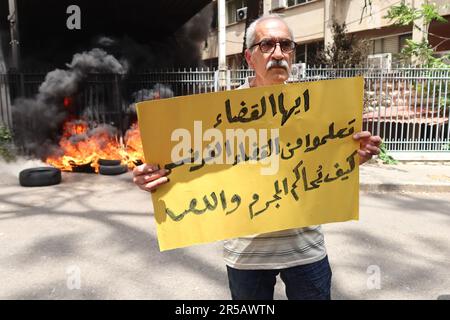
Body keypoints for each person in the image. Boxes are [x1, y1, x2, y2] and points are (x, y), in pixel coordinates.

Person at [133, 15, 382, 300]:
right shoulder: (217, 115)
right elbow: (186, 166)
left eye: (285, 45)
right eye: (267, 45)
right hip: (246, 255)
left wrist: (353, 159)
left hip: (305, 250)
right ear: (250, 57)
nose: (278, 53)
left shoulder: (318, 108)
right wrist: (151, 176)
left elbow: (326, 165)